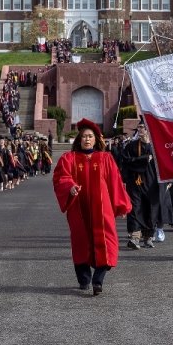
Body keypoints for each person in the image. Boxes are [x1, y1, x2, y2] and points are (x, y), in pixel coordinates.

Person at [52, 118, 132, 296]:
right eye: (83, 137)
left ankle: (98, 280)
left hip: (103, 211)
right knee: (81, 242)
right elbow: (61, 178)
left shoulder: (105, 158)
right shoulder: (69, 158)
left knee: (107, 241)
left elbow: (115, 183)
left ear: (96, 139)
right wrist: (70, 187)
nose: (87, 139)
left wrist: (121, 205)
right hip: (78, 209)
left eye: (90, 136)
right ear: (79, 140)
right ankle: (83, 278)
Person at [122, 122, 160, 250]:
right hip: (135, 183)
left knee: (150, 209)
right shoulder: (131, 146)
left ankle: (148, 237)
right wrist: (143, 158)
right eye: (139, 127)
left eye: (143, 127)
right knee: (135, 208)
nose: (140, 129)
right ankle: (134, 237)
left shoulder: (157, 146)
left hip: (152, 184)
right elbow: (126, 161)